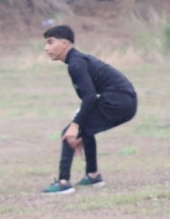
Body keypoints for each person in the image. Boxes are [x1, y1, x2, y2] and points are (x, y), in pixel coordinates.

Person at [41, 24, 137, 195]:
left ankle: (63, 183)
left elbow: (89, 97)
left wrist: (75, 126)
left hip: (119, 101)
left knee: (68, 133)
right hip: (125, 101)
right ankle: (93, 175)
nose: (46, 48)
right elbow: (90, 98)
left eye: (50, 42)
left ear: (64, 44)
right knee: (83, 127)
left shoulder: (76, 63)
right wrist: (79, 124)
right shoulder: (77, 61)